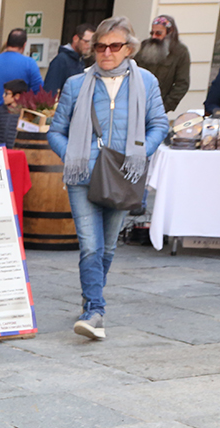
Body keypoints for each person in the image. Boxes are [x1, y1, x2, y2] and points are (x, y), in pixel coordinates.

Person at [49, 17, 167, 341]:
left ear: (129, 49)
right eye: (100, 46)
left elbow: (159, 124)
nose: (106, 52)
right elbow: (55, 131)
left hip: (122, 175)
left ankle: (90, 300)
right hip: (83, 176)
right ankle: (95, 312)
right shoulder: (77, 84)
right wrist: (74, 156)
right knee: (91, 245)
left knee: (108, 248)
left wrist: (140, 154)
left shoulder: (146, 81)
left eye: (114, 46)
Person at [0, 29, 43, 144]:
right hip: (16, 118)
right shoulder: (29, 63)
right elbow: (39, 91)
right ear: (24, 45)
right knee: (12, 156)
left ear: (7, 43)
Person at [135, 15, 191, 112]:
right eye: (152, 33)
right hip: (135, 103)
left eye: (158, 33)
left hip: (158, 107)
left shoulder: (180, 52)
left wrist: (164, 107)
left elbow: (182, 84)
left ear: (170, 32)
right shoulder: (143, 46)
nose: (153, 37)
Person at [44, 24, 95, 95]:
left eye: (91, 43)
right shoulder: (61, 60)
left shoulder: (80, 61)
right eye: (86, 41)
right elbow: (50, 91)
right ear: (75, 38)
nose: (89, 46)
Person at [0, 78, 29, 146]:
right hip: (1, 150)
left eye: (6, 93)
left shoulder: (26, 113)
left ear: (17, 96)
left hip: (16, 150)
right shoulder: (1, 111)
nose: (3, 96)